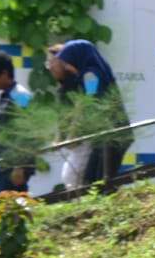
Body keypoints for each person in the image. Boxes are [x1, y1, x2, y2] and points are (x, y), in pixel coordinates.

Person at [47, 39, 133, 188]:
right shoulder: (88, 74)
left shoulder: (90, 75)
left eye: (67, 62)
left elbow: (87, 103)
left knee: (100, 181)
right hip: (106, 134)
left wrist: (72, 134)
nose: (67, 67)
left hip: (112, 134)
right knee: (94, 180)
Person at [0, 51, 36, 198]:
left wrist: (20, 166)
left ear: (4, 73)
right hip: (4, 165)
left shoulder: (20, 96)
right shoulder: (6, 96)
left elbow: (28, 133)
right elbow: (3, 136)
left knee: (4, 208)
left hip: (14, 167)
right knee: (9, 208)